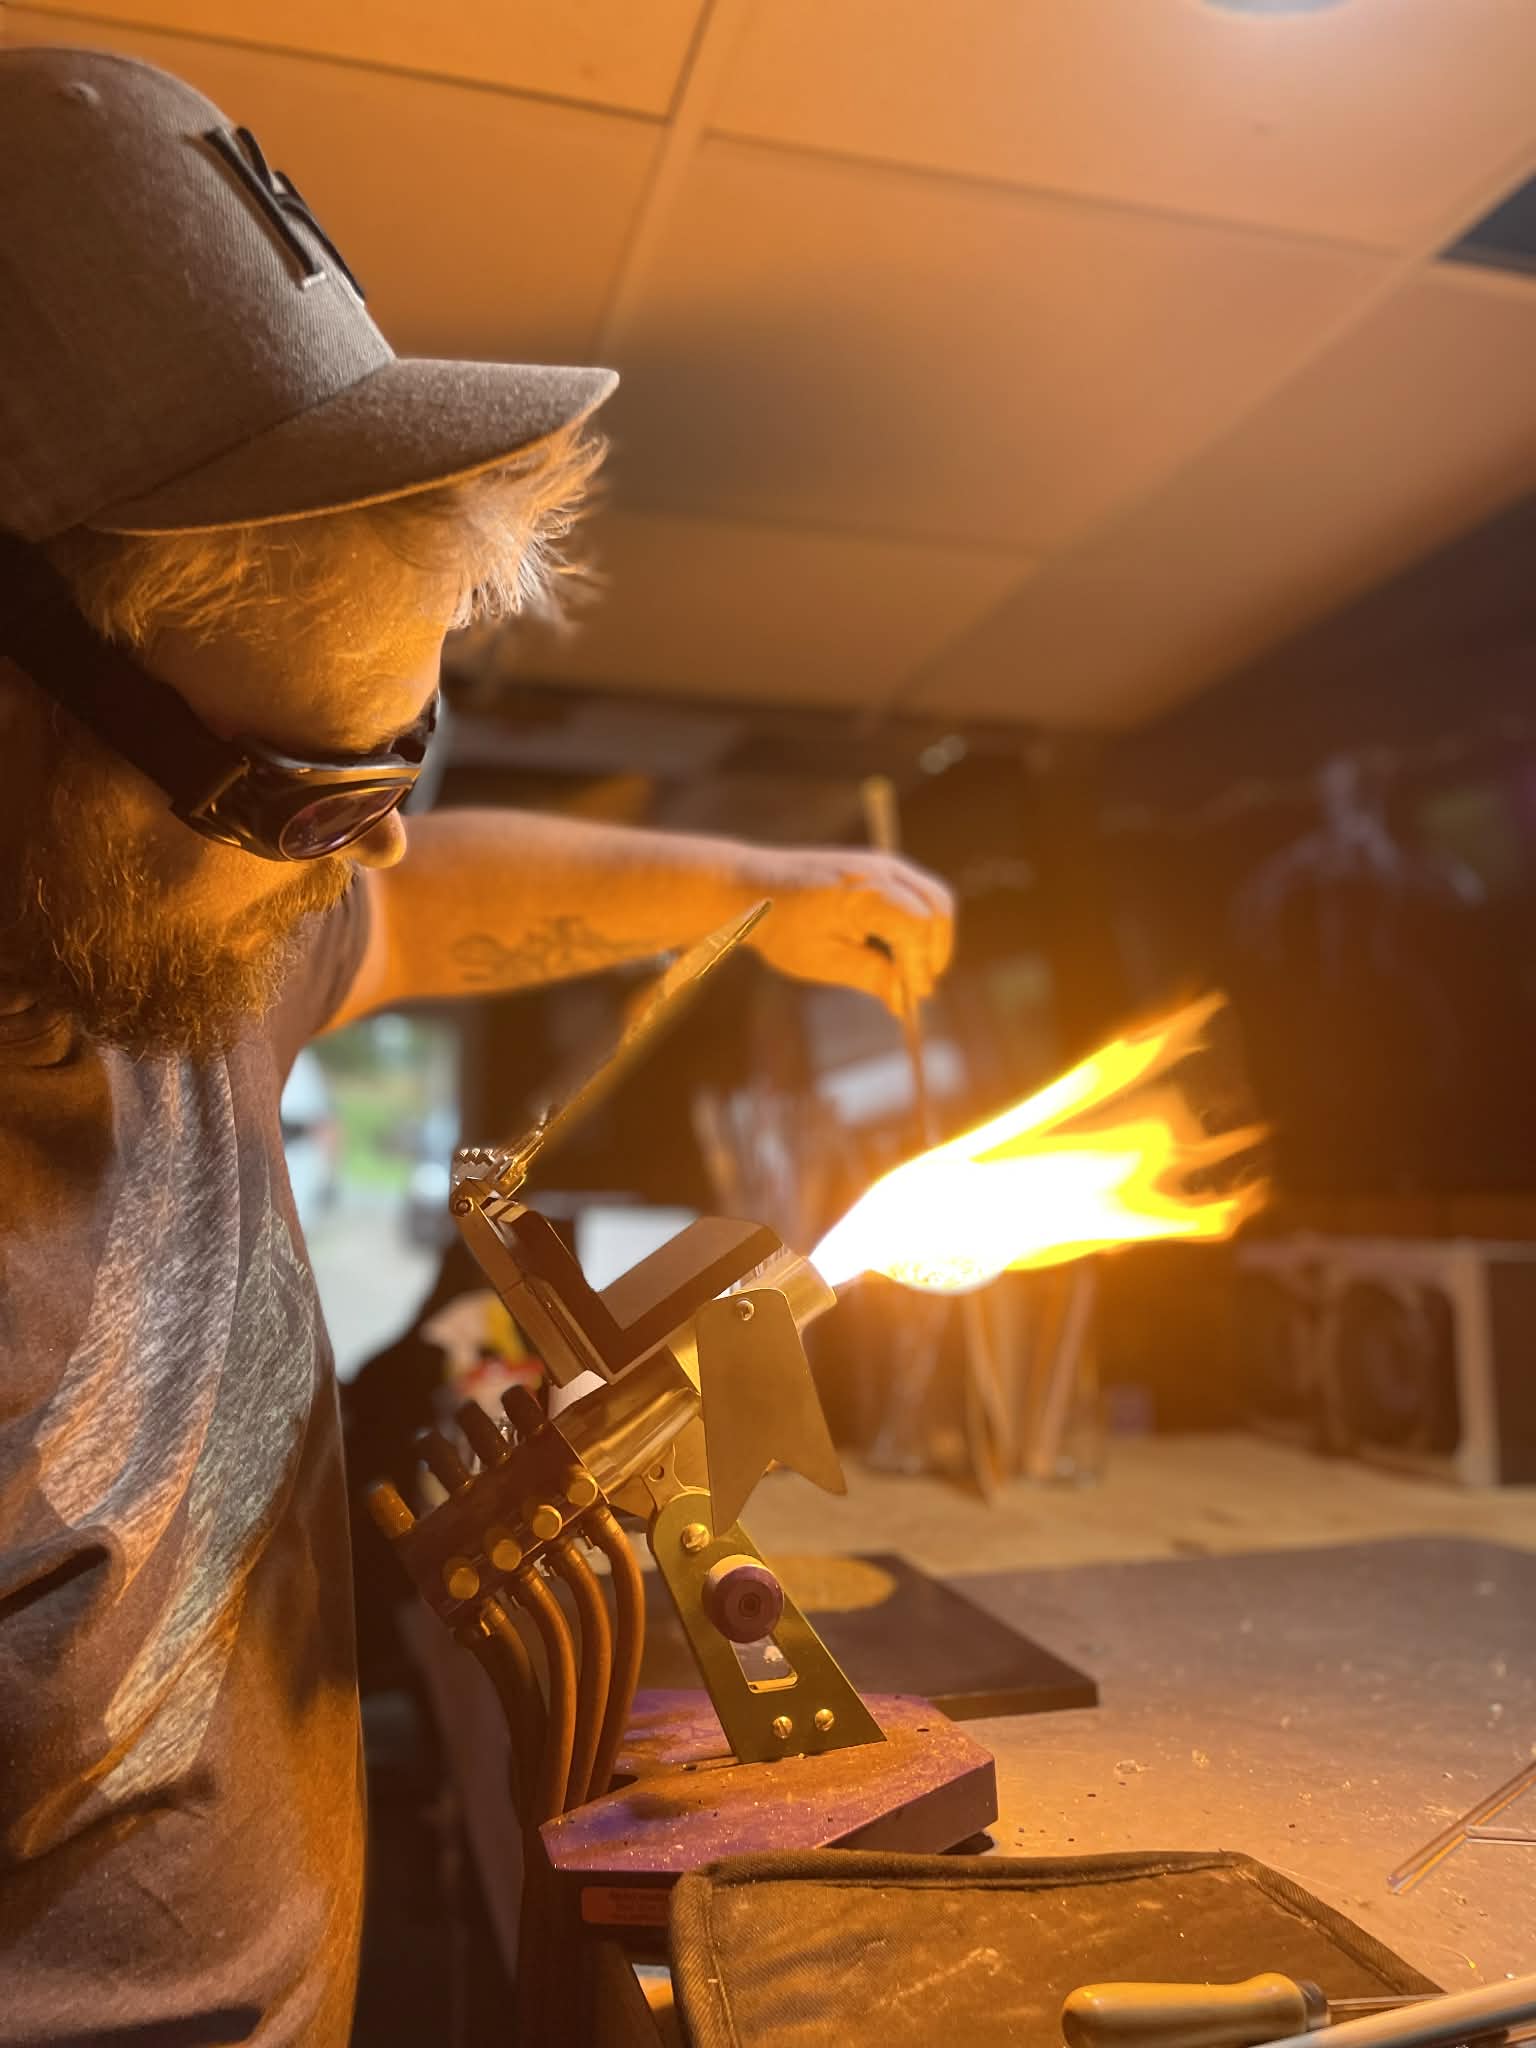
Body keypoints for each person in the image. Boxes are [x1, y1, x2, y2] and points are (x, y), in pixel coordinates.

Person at [0, 45, 954, 2045]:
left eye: (401, 751)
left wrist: (743, 882)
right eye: (305, 796)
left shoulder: (162, 956)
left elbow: (413, 901)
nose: (377, 850)